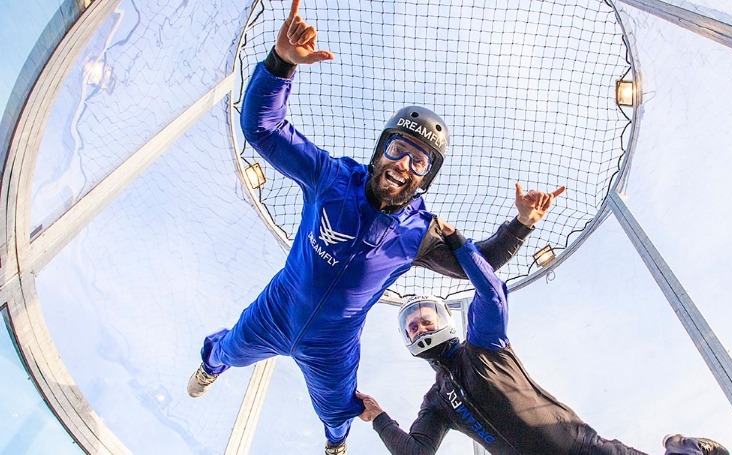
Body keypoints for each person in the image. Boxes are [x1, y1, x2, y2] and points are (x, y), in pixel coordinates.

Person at [186, 1, 566, 454]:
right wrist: (280, 63)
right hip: (276, 310)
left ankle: (335, 444)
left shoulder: (419, 233)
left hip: (333, 345)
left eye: (419, 160)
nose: (403, 164)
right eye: (397, 148)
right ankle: (210, 365)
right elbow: (263, 128)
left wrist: (521, 225)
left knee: (337, 408)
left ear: (426, 177)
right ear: (379, 150)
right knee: (227, 350)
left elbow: (477, 266)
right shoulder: (331, 178)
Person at [356, 224, 730, 455]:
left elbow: (491, 292)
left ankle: (683, 445)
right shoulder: (436, 402)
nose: (418, 329)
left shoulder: (482, 346)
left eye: (424, 321)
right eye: (411, 328)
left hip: (585, 449)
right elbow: (416, 453)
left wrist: (458, 243)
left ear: (446, 322)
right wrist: (379, 418)